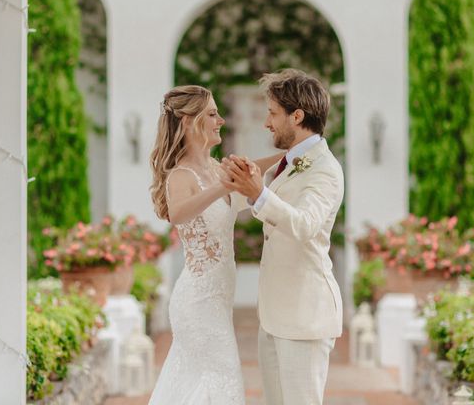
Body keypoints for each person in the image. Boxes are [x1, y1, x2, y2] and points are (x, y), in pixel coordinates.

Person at [148, 85, 281, 404]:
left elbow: (255, 169)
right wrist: (221, 186)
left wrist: (294, 155)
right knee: (223, 378)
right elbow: (179, 212)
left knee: (203, 382)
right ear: (188, 122)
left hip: (218, 302)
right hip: (198, 302)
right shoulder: (181, 174)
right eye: (212, 114)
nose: (220, 120)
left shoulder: (215, 168)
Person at [222, 69, 345, 405]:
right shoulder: (291, 163)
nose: (266, 122)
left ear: (297, 116)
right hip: (275, 316)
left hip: (305, 318)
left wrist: (259, 194)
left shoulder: (325, 170)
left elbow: (305, 225)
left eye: (272, 113)